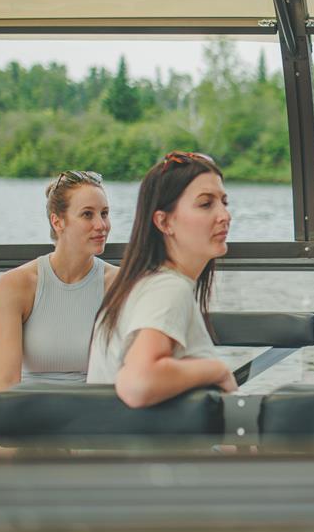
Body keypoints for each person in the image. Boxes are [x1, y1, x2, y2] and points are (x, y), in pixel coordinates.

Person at [87, 151, 238, 407]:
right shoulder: (167, 289)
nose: (224, 215)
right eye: (206, 204)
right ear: (164, 221)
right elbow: (138, 382)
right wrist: (217, 370)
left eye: (224, 202)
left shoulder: (140, 284)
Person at [0, 170, 116, 391]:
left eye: (104, 213)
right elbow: (5, 383)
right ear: (58, 222)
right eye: (87, 214)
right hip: (32, 413)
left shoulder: (118, 282)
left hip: (96, 412)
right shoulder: (16, 285)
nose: (101, 225)